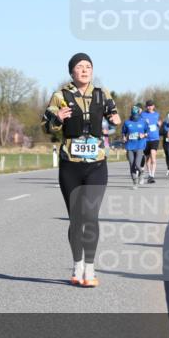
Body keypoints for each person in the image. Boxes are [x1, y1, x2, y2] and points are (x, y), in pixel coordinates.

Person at [44, 53, 120, 287]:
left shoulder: (101, 93)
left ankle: (90, 267)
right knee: (76, 219)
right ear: (72, 72)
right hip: (71, 165)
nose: (85, 70)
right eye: (80, 67)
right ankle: (77, 266)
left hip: (96, 163)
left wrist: (116, 120)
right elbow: (48, 127)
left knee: (91, 216)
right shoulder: (60, 96)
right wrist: (57, 118)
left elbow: (114, 117)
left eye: (88, 66)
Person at [120, 104, 149, 189]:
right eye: (133, 115)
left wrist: (144, 135)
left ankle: (141, 172)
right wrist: (124, 137)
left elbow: (148, 131)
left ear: (138, 114)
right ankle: (135, 182)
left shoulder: (143, 122)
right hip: (130, 146)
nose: (135, 117)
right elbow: (123, 132)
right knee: (131, 164)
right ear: (131, 114)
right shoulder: (127, 122)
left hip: (140, 145)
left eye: (136, 115)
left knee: (137, 164)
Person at [139, 100, 161, 184]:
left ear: (153, 106)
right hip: (146, 139)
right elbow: (140, 124)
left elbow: (159, 123)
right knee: (147, 159)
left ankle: (152, 175)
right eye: (148, 106)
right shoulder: (142, 115)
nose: (149, 107)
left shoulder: (157, 114)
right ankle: (149, 174)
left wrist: (159, 124)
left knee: (153, 156)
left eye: (151, 105)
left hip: (155, 138)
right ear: (146, 107)